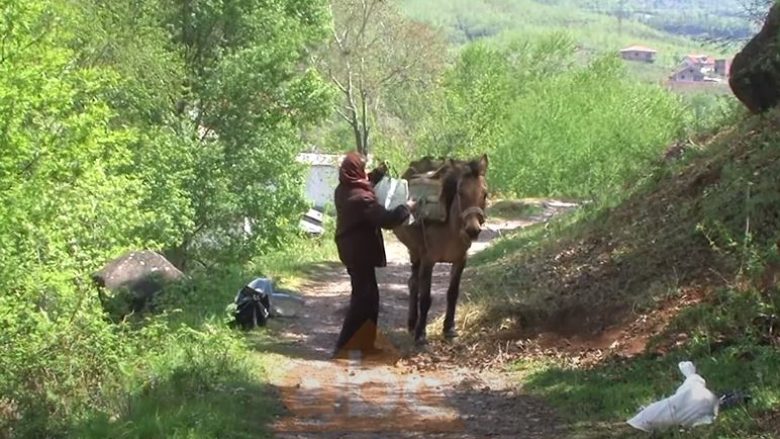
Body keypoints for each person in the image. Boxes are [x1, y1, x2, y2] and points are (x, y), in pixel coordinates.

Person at [332, 151, 415, 357]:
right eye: (363, 168)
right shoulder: (362, 198)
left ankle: (366, 344)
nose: (365, 172)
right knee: (362, 300)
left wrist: (378, 173)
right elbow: (386, 220)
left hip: (352, 249)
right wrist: (407, 207)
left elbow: (365, 181)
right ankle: (343, 347)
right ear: (356, 171)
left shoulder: (344, 189)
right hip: (359, 252)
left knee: (370, 298)